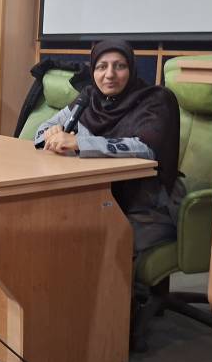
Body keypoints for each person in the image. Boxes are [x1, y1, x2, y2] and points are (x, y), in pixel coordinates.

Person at [35, 39, 183, 254]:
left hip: (144, 207)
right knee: (50, 232)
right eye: (102, 67)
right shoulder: (90, 98)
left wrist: (80, 143)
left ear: (131, 69)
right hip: (95, 196)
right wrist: (52, 132)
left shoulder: (156, 99)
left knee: (88, 248)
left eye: (119, 66)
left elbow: (145, 148)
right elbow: (42, 131)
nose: (110, 74)